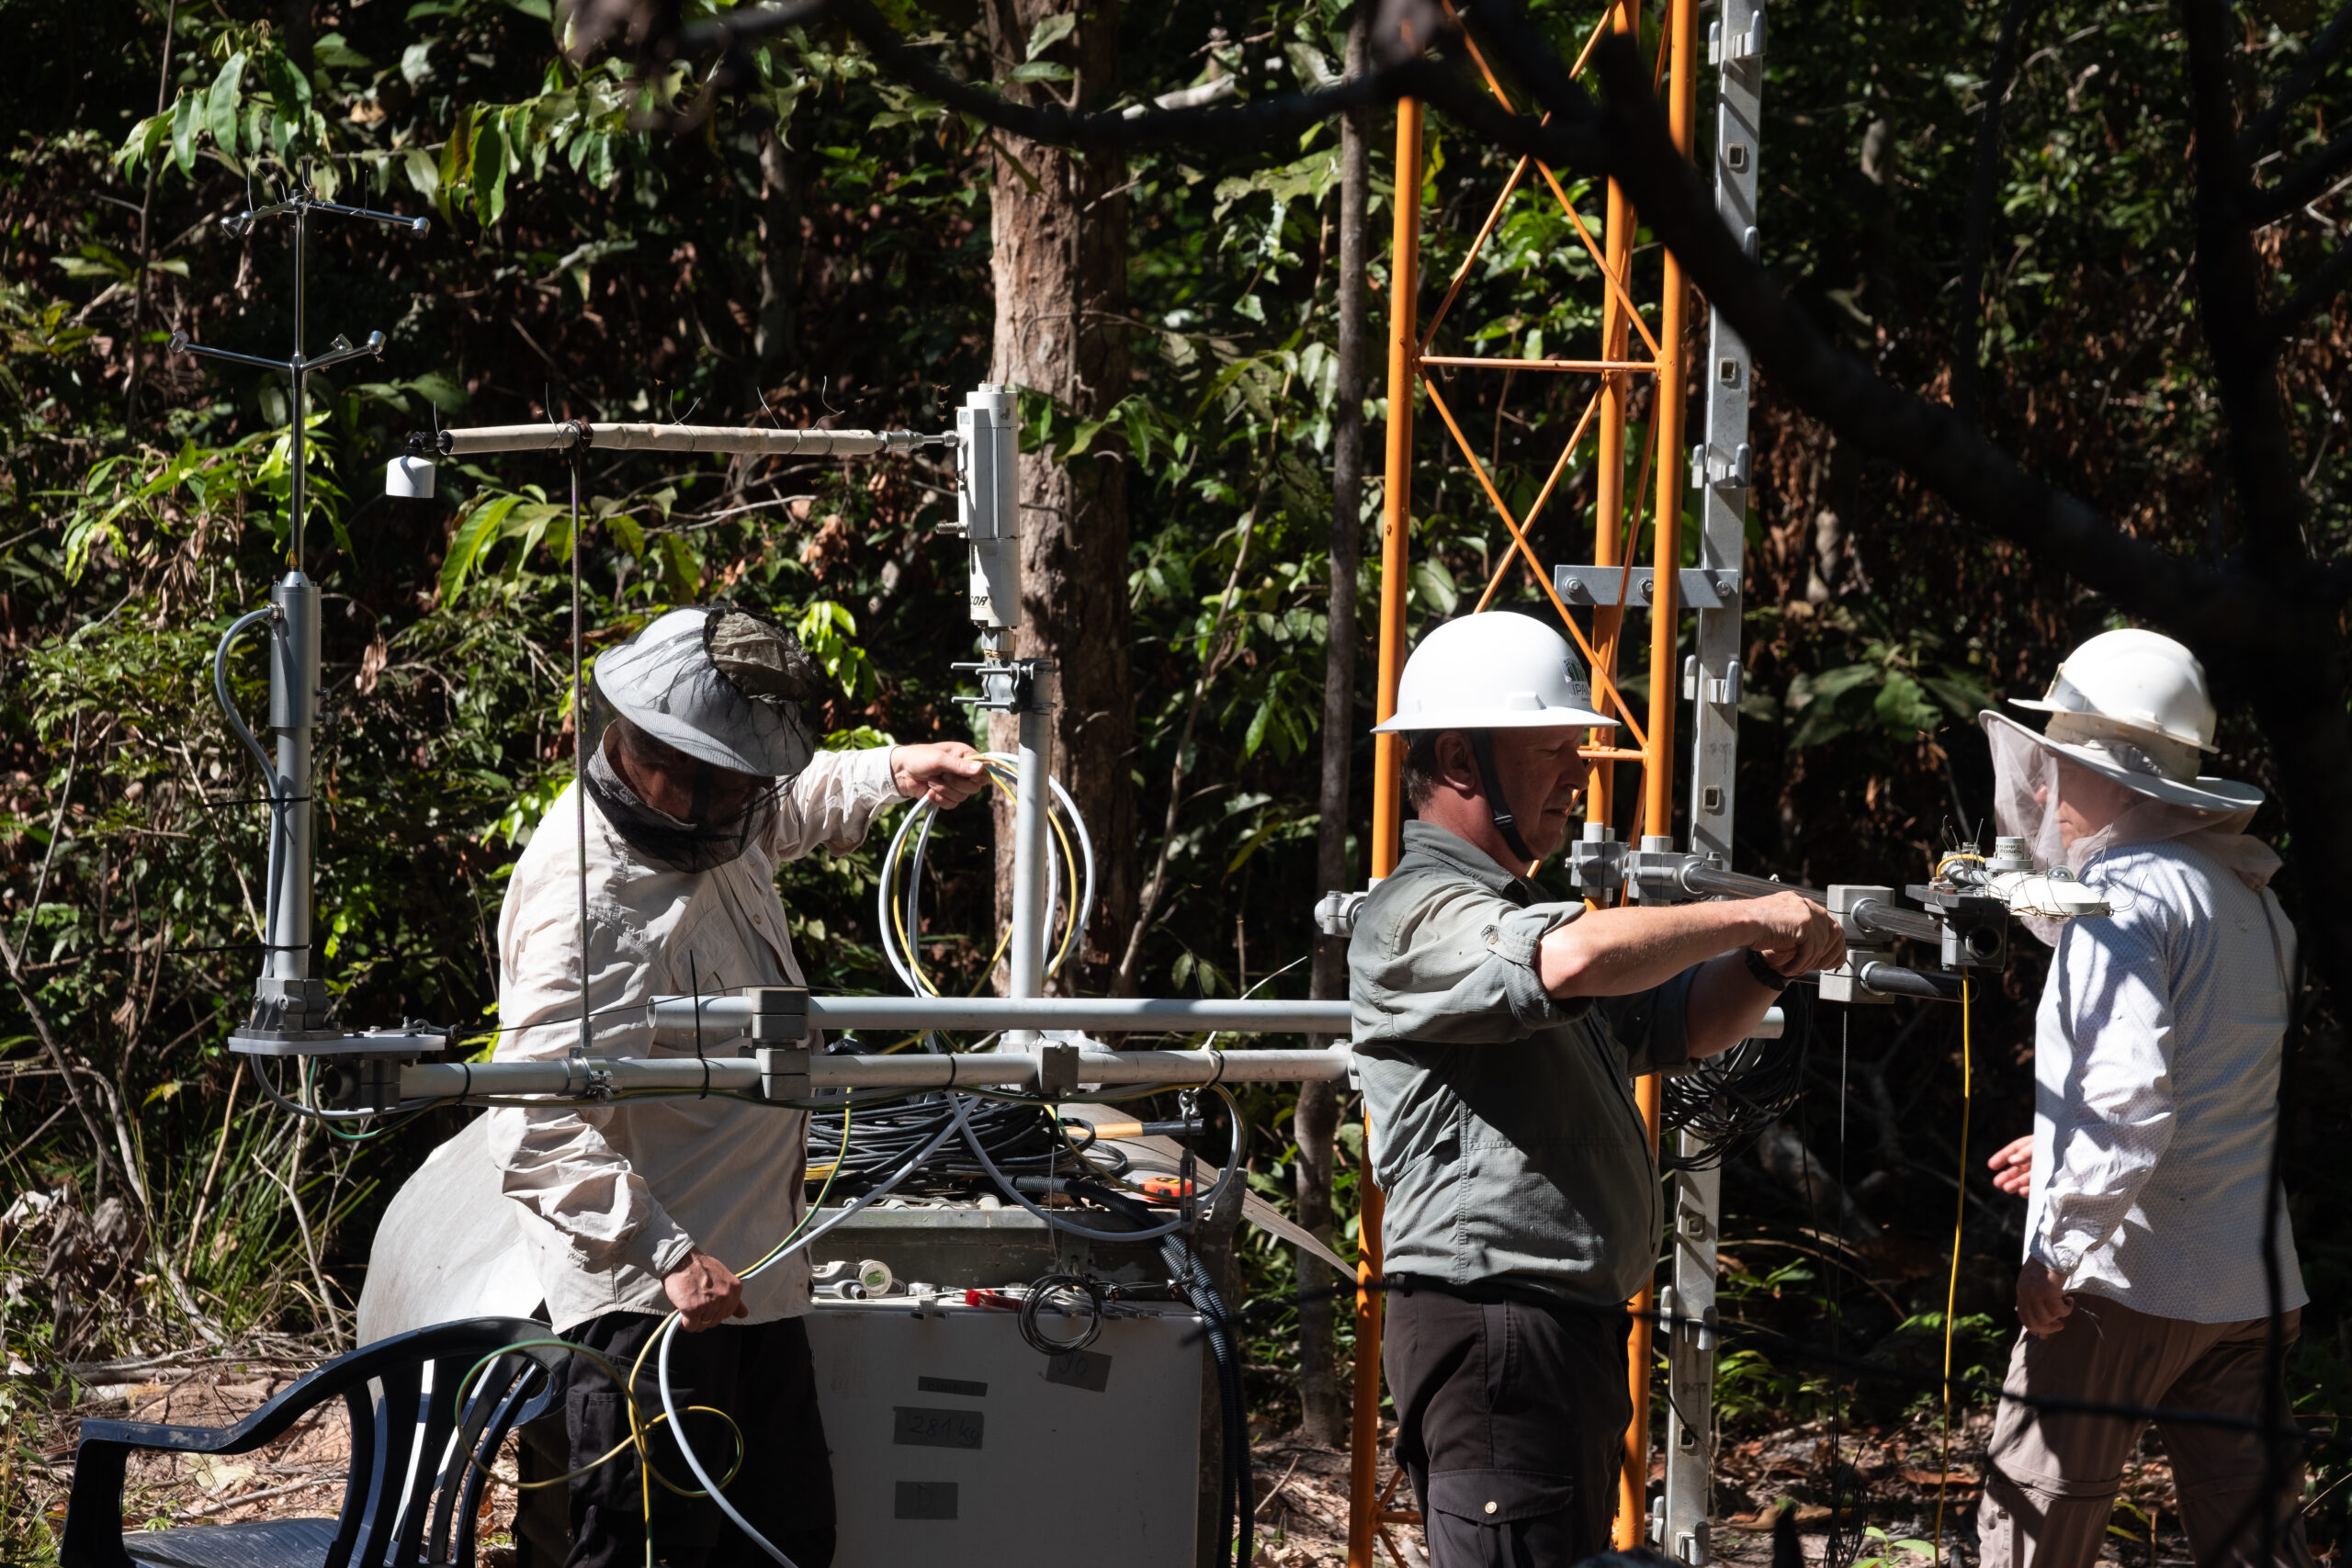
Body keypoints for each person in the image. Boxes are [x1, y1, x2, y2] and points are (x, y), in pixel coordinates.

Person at [487, 605, 986, 1568]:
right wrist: (669, 1253)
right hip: (655, 1305)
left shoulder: (714, 822)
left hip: (755, 1275)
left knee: (787, 1541)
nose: (755, 807)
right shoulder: (586, 901)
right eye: (736, 789)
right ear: (662, 766)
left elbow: (787, 811)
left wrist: (894, 769)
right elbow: (531, 1115)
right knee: (652, 1548)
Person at [1348, 611, 1848, 1567]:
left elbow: (1679, 1025)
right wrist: (1743, 912)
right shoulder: (1415, 910)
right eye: (1552, 750)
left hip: (1545, 1327)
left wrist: (1767, 962)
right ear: (1459, 762)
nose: (1579, 776)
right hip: (1491, 1321)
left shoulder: (1510, 912)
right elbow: (1571, 959)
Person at [1974, 628, 2312, 1568]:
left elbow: (2125, 1092)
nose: (2044, 790)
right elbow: (2217, 1074)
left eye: (2064, 765)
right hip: (2247, 1286)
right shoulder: (2247, 896)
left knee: (2032, 1533)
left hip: (2122, 1283)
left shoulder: (2115, 895)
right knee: (2258, 1545)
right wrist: (2062, 1142)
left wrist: (2059, 1244)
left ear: (2117, 775)